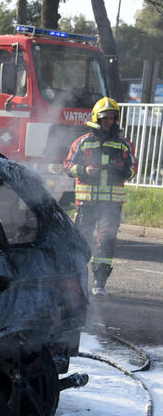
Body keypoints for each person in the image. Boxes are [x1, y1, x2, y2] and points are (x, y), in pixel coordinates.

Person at [64, 96, 137, 295]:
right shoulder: (82, 142)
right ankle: (75, 282)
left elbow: (133, 169)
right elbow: (68, 166)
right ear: (97, 118)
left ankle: (99, 283)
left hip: (111, 205)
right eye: (105, 118)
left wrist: (123, 172)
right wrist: (84, 170)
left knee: (106, 240)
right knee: (82, 241)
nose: (109, 121)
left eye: (112, 118)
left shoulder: (124, 144)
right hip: (86, 203)